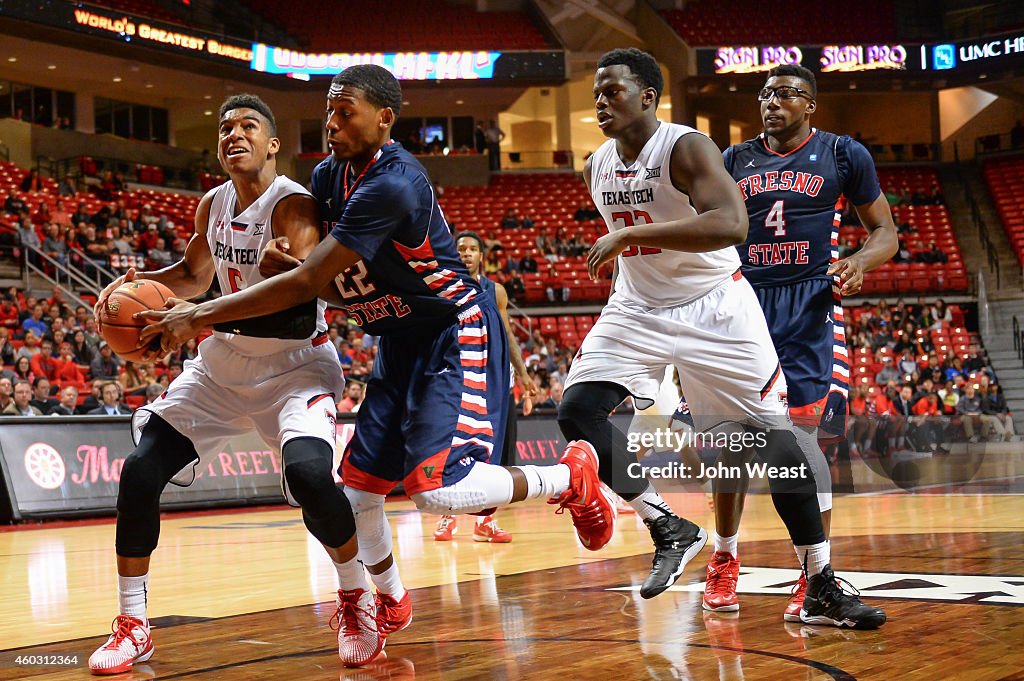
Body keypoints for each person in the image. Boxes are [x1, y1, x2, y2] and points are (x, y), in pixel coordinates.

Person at [138, 68, 614, 664]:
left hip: (450, 330)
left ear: (385, 118)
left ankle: (571, 477)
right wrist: (294, 268)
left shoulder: (396, 182)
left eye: (346, 112)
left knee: (436, 492)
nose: (332, 123)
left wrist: (210, 309)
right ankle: (388, 597)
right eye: (328, 111)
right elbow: (335, 289)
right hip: (395, 337)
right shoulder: (326, 175)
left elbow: (311, 281)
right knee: (359, 489)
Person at [564, 48, 884, 628]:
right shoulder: (597, 165)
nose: (601, 102)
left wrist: (626, 239)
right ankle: (672, 527)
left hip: (723, 308)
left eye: (613, 91)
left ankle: (818, 583)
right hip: (639, 307)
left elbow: (731, 224)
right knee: (578, 410)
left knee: (781, 446)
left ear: (648, 97)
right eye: (596, 94)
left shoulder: (687, 147)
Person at [86, 94, 362, 673]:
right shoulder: (211, 204)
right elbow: (192, 275)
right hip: (221, 366)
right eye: (225, 128)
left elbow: (294, 305)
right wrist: (128, 292)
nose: (234, 135)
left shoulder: (294, 206)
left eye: (248, 126)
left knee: (312, 477)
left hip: (295, 367)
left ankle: (355, 596)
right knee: (140, 472)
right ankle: (133, 623)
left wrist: (198, 317)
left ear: (272, 143)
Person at [704, 62, 899, 617]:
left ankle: (813, 577)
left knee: (809, 445)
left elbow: (885, 231)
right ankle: (724, 558)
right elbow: (705, 233)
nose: (773, 102)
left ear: (810, 104)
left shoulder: (842, 154)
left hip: (810, 304)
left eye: (787, 94)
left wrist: (859, 261)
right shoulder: (732, 159)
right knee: (734, 447)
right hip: (742, 305)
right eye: (766, 94)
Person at [433, 231, 538, 543]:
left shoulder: (496, 291)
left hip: (496, 382)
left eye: (472, 249)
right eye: (461, 249)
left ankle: (485, 521)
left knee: (496, 455)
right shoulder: (444, 288)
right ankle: (447, 514)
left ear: (482, 256)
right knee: (454, 451)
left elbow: (507, 336)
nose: (466, 253)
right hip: (461, 382)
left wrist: (522, 375)